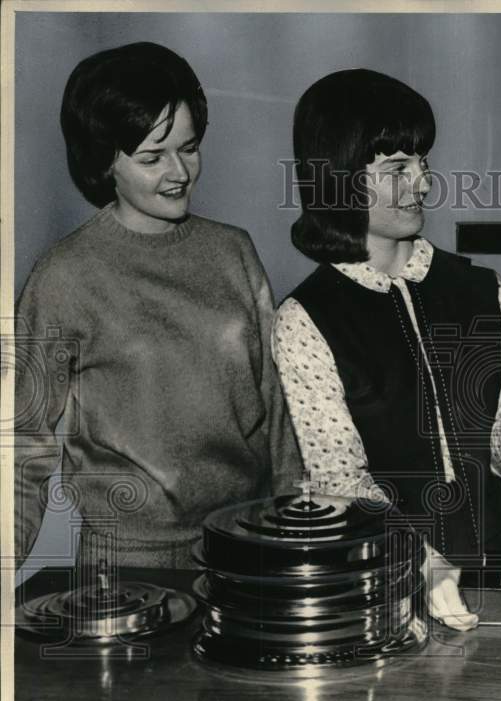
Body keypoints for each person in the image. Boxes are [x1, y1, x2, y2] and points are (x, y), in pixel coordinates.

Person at [14, 42, 301, 572]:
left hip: (248, 547)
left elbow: (278, 412)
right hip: (128, 567)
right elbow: (19, 446)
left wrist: (293, 531)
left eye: (188, 148)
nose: (179, 172)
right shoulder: (64, 274)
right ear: (105, 162)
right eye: (151, 157)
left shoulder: (233, 250)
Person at [273, 69, 501, 631]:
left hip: (493, 577)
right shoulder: (305, 320)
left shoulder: (483, 291)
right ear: (341, 178)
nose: (422, 183)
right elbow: (340, 484)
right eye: (397, 168)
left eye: (423, 164)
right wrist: (422, 561)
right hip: (381, 587)